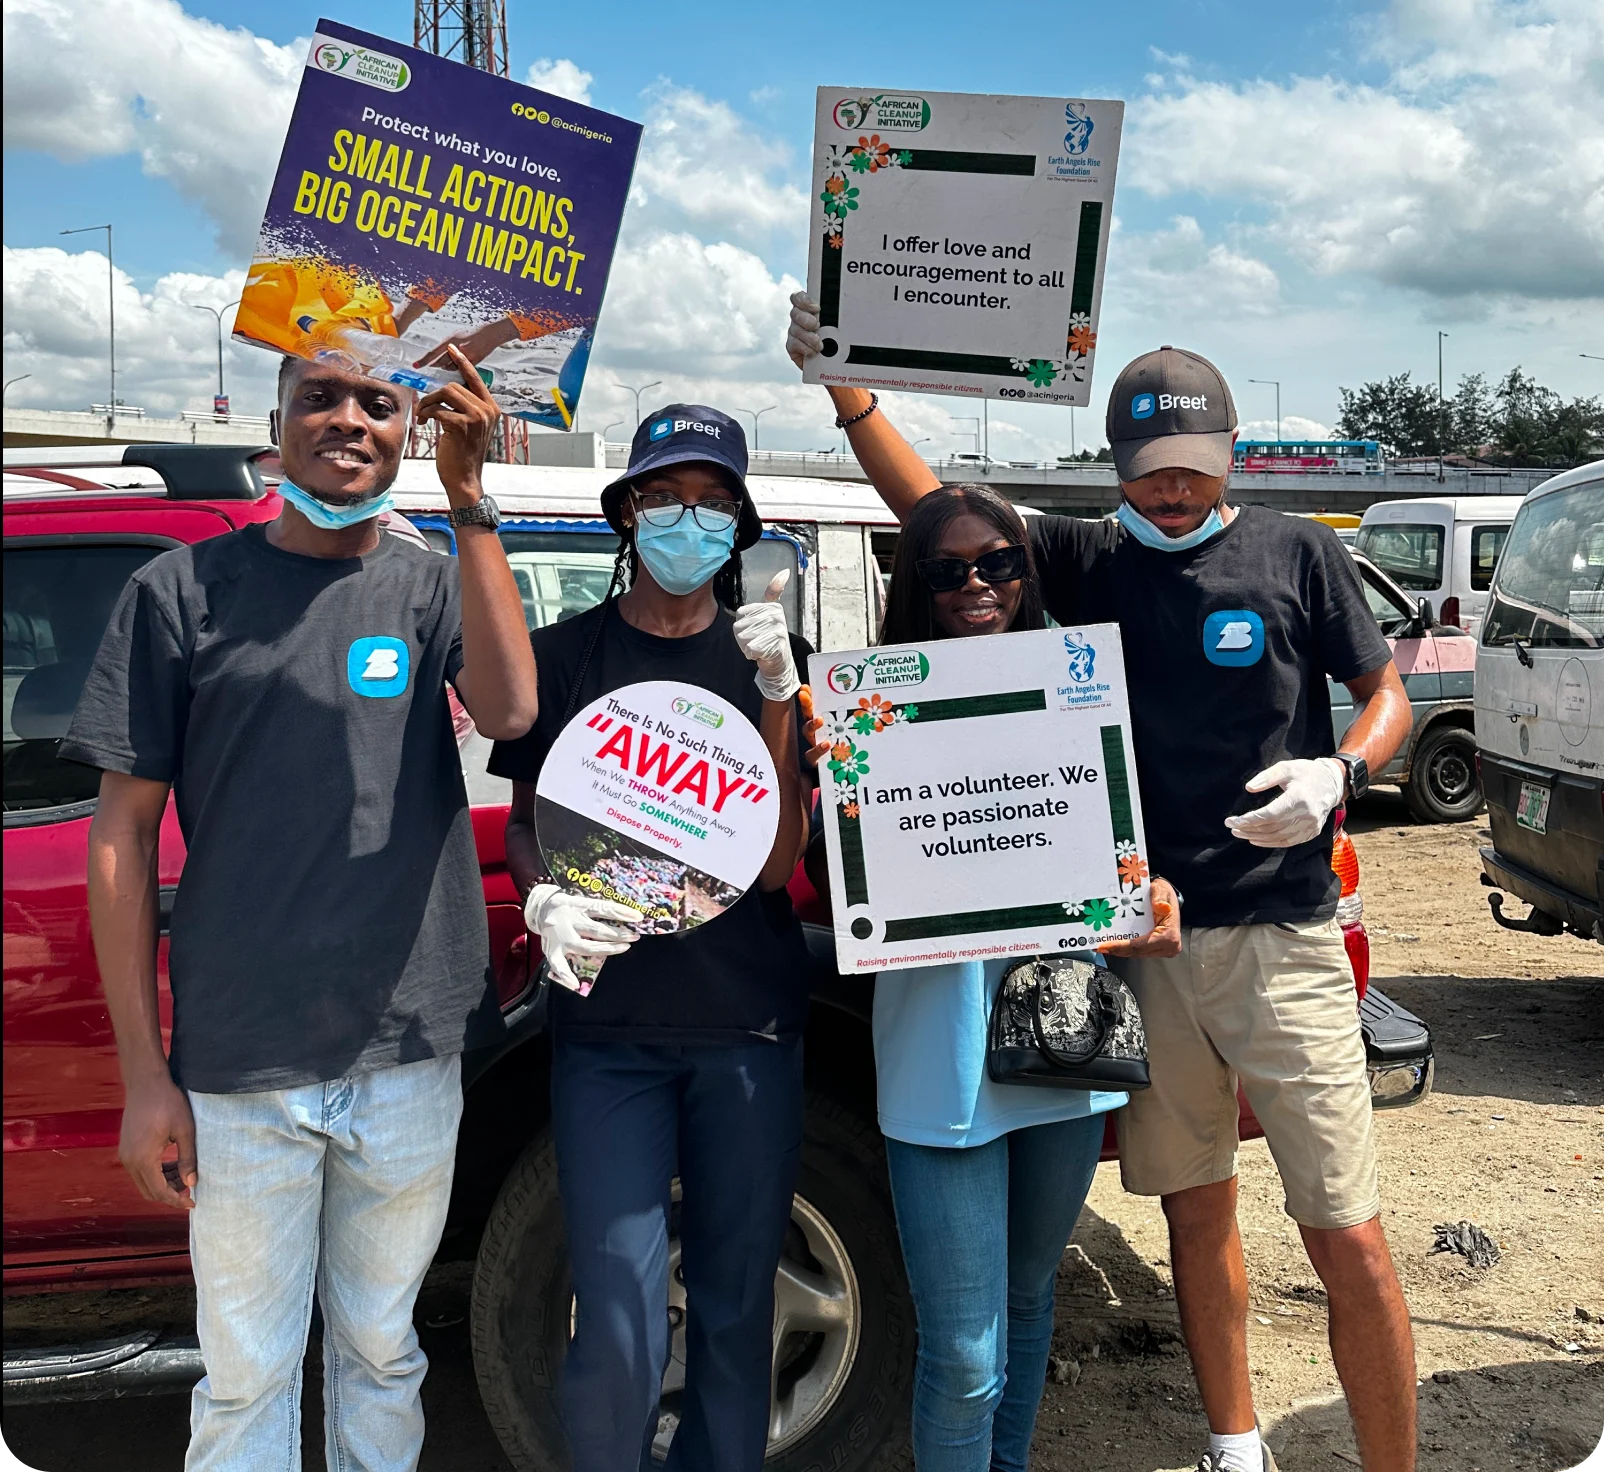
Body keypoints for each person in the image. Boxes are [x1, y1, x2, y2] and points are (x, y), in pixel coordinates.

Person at [789, 297, 1417, 1472]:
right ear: (1116, 469)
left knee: (1347, 1230)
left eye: (1185, 470)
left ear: (1224, 457)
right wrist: (844, 386)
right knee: (1194, 1209)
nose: (1165, 493)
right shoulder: (1089, 557)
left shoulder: (1297, 549)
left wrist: (1340, 773)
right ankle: (1235, 1446)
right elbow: (935, 513)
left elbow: (1381, 688)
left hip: (1283, 930)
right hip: (1146, 952)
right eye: (1142, 473)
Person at [62, 349, 539, 1470]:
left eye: (379, 401)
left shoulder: (430, 585)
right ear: (274, 419)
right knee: (245, 1374)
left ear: (409, 428)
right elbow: (121, 837)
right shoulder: (180, 592)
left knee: (381, 1352)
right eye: (319, 394)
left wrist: (473, 505)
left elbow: (512, 709)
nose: (347, 419)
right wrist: (144, 1076)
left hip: (409, 1055)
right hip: (240, 1069)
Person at [802, 481, 1183, 1470]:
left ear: (1026, 569)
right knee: (965, 1353)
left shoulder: (1076, 682)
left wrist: (1150, 893)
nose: (976, 582)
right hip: (939, 1055)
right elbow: (827, 880)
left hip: (1058, 1032)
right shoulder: (867, 703)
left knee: (1026, 1303)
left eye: (998, 561)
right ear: (914, 581)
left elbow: (1118, 844)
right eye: (947, 567)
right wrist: (828, 788)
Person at [490, 406, 812, 1472]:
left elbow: (772, 863)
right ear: (627, 509)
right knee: (621, 1321)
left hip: (747, 1029)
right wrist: (541, 903)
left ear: (739, 523)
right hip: (608, 1033)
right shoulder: (563, 655)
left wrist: (777, 695)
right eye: (668, 496)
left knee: (733, 1308)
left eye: (714, 501)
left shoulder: (770, 659)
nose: (690, 519)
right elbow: (530, 825)